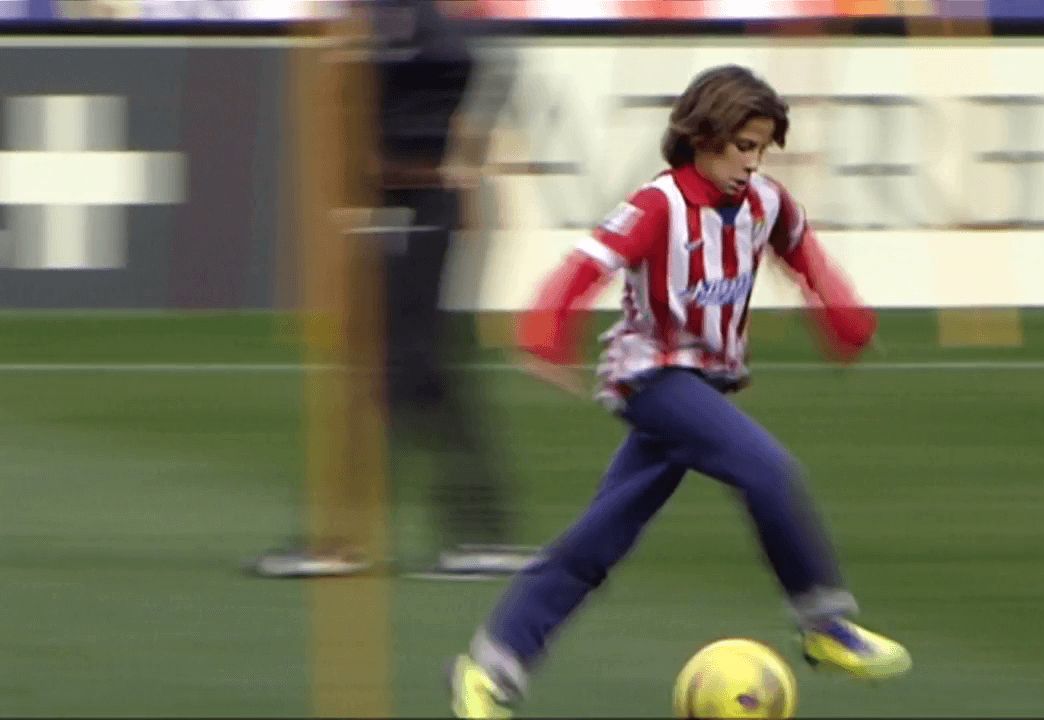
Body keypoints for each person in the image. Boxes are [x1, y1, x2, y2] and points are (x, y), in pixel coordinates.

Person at [448, 64, 911, 718]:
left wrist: (843, 317)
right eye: (742, 146)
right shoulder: (657, 205)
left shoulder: (765, 204)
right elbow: (585, 267)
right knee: (769, 472)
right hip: (654, 379)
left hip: (708, 387)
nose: (753, 162)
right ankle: (824, 623)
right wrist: (547, 333)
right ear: (703, 136)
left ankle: (491, 665)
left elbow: (804, 255)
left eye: (762, 149)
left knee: (596, 543)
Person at [251, 0, 534, 581]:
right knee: (420, 371)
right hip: (394, 205)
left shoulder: (409, 24)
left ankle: (347, 539)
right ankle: (478, 533)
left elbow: (477, 69)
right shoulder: (383, 21)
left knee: (399, 369)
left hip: (420, 204)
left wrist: (454, 155)